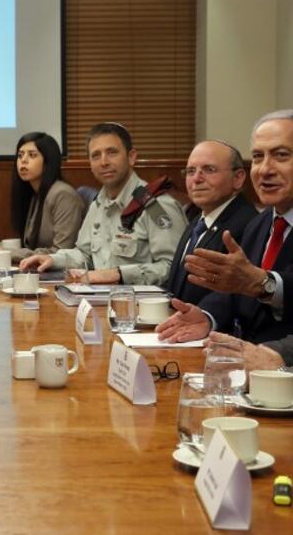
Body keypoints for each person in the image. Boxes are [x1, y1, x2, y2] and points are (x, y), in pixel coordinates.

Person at [158, 110, 293, 361]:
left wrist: (278, 355)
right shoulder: (262, 223)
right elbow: (238, 290)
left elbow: (260, 283)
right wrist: (207, 316)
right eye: (257, 157)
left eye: (281, 155)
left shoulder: (245, 220)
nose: (264, 169)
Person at [20, 122, 187, 285]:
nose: (103, 162)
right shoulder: (99, 203)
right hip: (101, 300)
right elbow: (85, 254)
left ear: (131, 157)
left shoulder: (156, 206)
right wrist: (52, 259)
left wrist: (118, 274)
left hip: (141, 307)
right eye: (96, 155)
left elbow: (173, 267)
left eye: (112, 152)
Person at [163, 141, 258, 304]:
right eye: (190, 171)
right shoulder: (197, 221)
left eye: (209, 170)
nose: (197, 179)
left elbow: (234, 298)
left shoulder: (249, 225)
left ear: (238, 178)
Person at [0, 132, 84, 262]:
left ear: (48, 161)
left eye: (32, 155)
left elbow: (61, 252)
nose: (23, 160)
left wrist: (6, 252)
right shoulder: (35, 194)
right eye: (20, 155)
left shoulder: (63, 195)